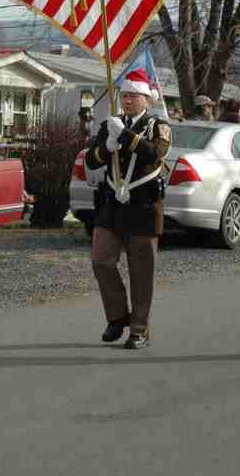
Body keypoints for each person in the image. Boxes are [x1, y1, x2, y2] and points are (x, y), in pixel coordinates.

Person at [84, 68, 171, 350]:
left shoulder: (158, 125)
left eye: (134, 96)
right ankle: (118, 316)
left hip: (143, 207)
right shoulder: (111, 123)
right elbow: (92, 160)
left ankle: (139, 329)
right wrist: (108, 145)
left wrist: (126, 138)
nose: (128, 101)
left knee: (141, 273)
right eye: (125, 95)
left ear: (147, 99)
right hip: (112, 206)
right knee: (101, 261)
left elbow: (155, 153)